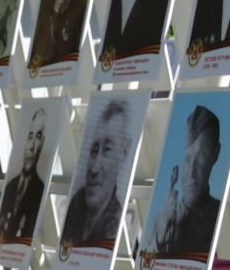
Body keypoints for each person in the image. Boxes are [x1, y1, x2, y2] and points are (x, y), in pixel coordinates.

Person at [62, 96, 135, 253]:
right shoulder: (75, 207)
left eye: (107, 149)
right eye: (94, 151)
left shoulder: (113, 224)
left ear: (124, 152)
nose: (94, 168)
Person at [149, 105, 223, 256]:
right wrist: (160, 239)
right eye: (188, 157)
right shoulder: (161, 220)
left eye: (201, 156)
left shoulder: (221, 218)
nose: (192, 171)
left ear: (216, 153)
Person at [0, 106, 50, 249]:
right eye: (30, 136)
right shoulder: (10, 185)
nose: (32, 146)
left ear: (42, 144)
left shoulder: (40, 190)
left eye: (38, 137)